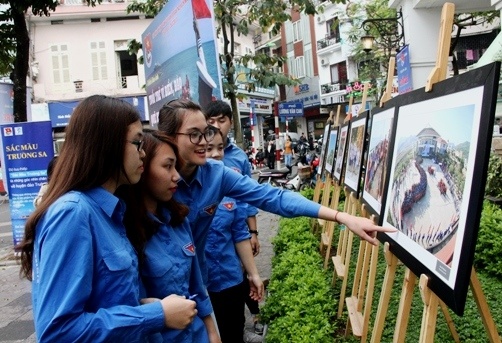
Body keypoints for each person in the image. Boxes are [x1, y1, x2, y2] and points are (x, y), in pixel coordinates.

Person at [18, 95, 197, 342]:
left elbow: (104, 300)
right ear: (108, 145)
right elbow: (58, 332)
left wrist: (141, 307)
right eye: (137, 143)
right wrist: (155, 315)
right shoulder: (73, 214)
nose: (143, 154)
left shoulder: (111, 213)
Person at [156, 99, 395, 279]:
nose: (205, 142)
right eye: (194, 135)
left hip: (197, 282)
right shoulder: (149, 179)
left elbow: (274, 197)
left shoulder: (216, 174)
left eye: (206, 133)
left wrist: (342, 217)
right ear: (167, 137)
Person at [117, 131, 220, 343]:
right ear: (142, 169)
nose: (177, 176)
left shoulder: (179, 220)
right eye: (167, 166)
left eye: (176, 167)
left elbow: (196, 285)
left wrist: (211, 331)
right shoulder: (125, 233)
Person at [205, 100, 265, 339]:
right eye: (209, 149)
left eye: (219, 148)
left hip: (230, 274)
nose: (215, 155)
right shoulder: (183, 192)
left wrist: (254, 234)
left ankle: (254, 318)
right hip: (203, 283)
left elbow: (250, 203)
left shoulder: (233, 171)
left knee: (233, 328)